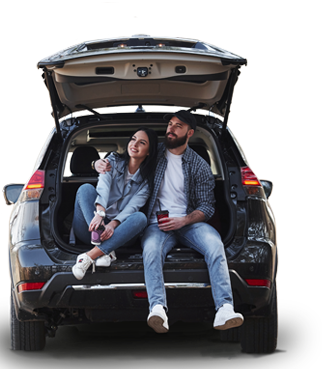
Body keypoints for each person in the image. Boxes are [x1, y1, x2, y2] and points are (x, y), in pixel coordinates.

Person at [94, 111, 244, 333]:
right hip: (156, 225)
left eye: (178, 126)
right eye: (170, 124)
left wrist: (183, 220)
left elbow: (207, 207)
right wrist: (97, 162)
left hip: (189, 223)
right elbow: (121, 159)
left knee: (215, 245)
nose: (171, 129)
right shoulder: (153, 155)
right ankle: (157, 309)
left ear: (189, 133)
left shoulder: (200, 165)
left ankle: (224, 309)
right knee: (151, 250)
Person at [70, 127, 158, 280]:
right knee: (85, 189)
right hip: (91, 229)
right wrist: (100, 214)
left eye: (142, 143)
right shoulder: (113, 161)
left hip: (120, 233)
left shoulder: (147, 182)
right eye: (133, 139)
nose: (135, 144)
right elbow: (103, 187)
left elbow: (132, 207)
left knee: (140, 217)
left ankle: (89, 256)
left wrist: (112, 225)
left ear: (149, 151)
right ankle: (107, 250)